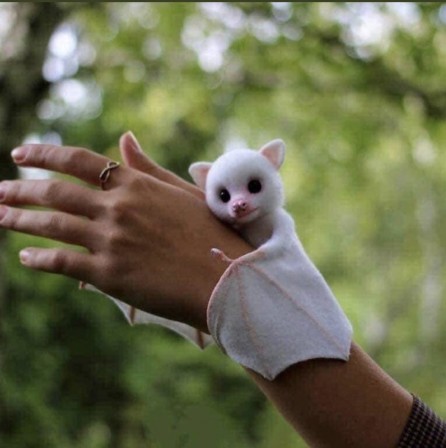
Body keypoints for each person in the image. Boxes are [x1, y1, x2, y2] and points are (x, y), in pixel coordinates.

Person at [0, 132, 444, 447]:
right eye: (225, 194)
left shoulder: (281, 236)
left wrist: (223, 285)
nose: (241, 203)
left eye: (253, 187)